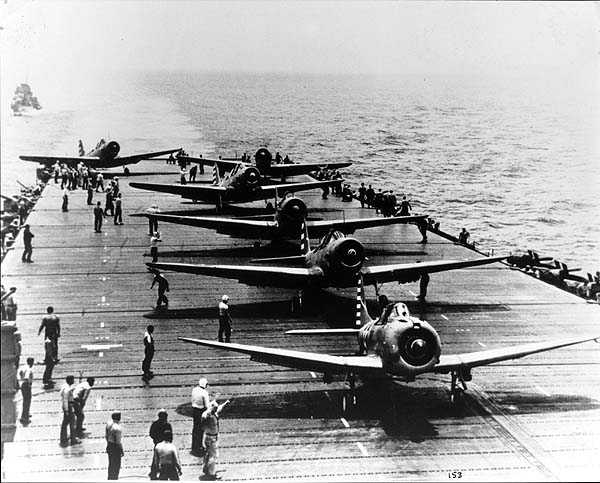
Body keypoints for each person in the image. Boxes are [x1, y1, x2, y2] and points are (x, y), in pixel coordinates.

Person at [201, 399, 231, 480]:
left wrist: (225, 403)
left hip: (211, 436)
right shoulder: (207, 415)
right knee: (214, 455)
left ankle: (206, 468)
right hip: (210, 437)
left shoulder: (214, 413)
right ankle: (211, 473)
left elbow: (219, 408)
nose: (216, 410)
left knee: (208, 454)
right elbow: (203, 423)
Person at [191, 378, 210, 456]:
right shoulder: (204, 392)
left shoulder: (194, 389)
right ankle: (199, 447)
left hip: (194, 411)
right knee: (200, 430)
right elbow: (207, 405)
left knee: (195, 429)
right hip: (201, 411)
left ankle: (194, 446)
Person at [60, 375, 80, 445]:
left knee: (65, 422)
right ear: (70, 380)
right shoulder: (67, 389)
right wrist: (67, 410)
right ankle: (73, 439)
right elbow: (65, 400)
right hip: (68, 406)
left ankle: (63, 438)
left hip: (66, 405)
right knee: (72, 422)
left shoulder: (64, 386)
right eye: (73, 380)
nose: (73, 381)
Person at [106, 412, 124, 480]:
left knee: (111, 464)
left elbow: (106, 436)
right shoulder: (118, 428)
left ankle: (110, 478)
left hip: (109, 445)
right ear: (119, 418)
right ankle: (114, 479)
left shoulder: (108, 424)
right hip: (115, 447)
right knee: (116, 465)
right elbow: (118, 442)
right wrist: (121, 450)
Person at [18, 357, 34, 424]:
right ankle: (25, 417)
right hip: (26, 385)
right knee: (27, 401)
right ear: (31, 362)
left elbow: (20, 373)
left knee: (25, 401)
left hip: (22, 384)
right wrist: (29, 384)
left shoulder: (23, 367)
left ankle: (25, 414)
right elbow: (27, 377)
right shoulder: (29, 369)